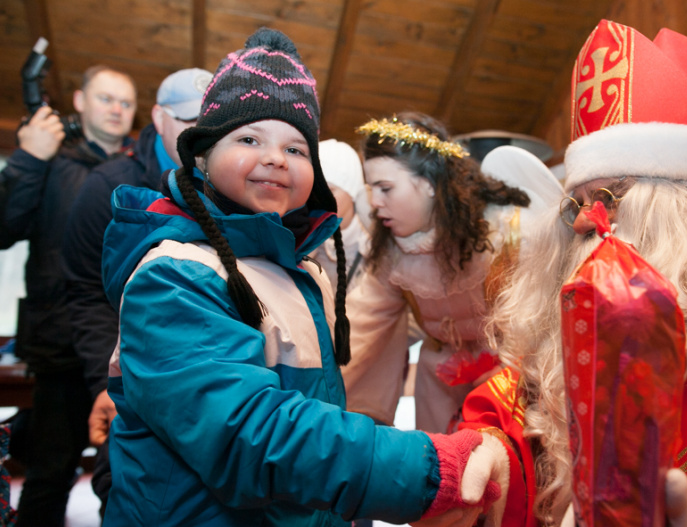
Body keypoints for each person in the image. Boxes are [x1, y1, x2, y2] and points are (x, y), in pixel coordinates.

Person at [100, 27, 508, 526]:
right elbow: (251, 434)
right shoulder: (175, 277)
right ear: (202, 154)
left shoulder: (294, 269)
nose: (276, 157)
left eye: (296, 149)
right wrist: (423, 469)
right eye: (249, 139)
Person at [468, 19, 687, 526]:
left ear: (685, 205)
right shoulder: (568, 308)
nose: (586, 221)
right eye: (577, 202)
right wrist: (489, 459)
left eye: (611, 195)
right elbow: (512, 414)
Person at [341, 112, 563, 434]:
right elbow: (361, 324)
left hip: (509, 376)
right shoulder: (392, 252)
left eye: (385, 188)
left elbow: (541, 317)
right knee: (441, 459)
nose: (374, 202)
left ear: (429, 184)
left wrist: (515, 370)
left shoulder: (506, 233)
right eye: (371, 188)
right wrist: (321, 380)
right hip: (438, 380)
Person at [61, 66, 212, 516]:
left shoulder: (223, 184)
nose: (199, 136)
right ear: (159, 117)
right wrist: (105, 383)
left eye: (210, 124)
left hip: (203, 387)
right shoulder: (108, 186)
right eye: (188, 122)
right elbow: (87, 293)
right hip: (128, 384)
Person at [0, 64, 136, 527]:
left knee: (122, 472)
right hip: (59, 348)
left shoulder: (142, 170)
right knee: (50, 472)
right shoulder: (50, 160)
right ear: (79, 102)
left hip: (122, 349)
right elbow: (5, 227)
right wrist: (27, 159)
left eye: (126, 102)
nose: (117, 109)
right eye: (106, 98)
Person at [308, 138, 369, 294]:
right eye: (312, 191)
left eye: (329, 191)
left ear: (352, 192)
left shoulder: (371, 244)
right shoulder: (303, 238)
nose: (318, 200)